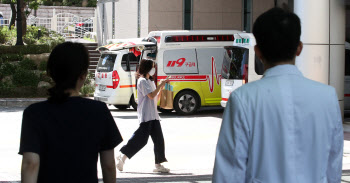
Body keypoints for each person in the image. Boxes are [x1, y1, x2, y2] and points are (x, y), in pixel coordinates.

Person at [213, 7, 343, 183]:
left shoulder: (243, 99)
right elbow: (333, 169)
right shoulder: (327, 97)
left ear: (258, 52)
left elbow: (229, 174)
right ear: (299, 48)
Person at [19, 42, 123, 183]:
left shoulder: (33, 114)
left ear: (50, 73)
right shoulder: (99, 111)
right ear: (83, 75)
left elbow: (30, 164)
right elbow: (109, 165)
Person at [116, 59, 170, 173]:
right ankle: (123, 156)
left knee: (159, 140)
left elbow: (156, 98)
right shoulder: (142, 81)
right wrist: (160, 85)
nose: (154, 69)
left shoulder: (150, 81)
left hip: (154, 116)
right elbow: (150, 96)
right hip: (146, 116)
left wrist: (162, 88)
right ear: (147, 68)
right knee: (140, 140)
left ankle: (158, 164)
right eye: (152, 67)